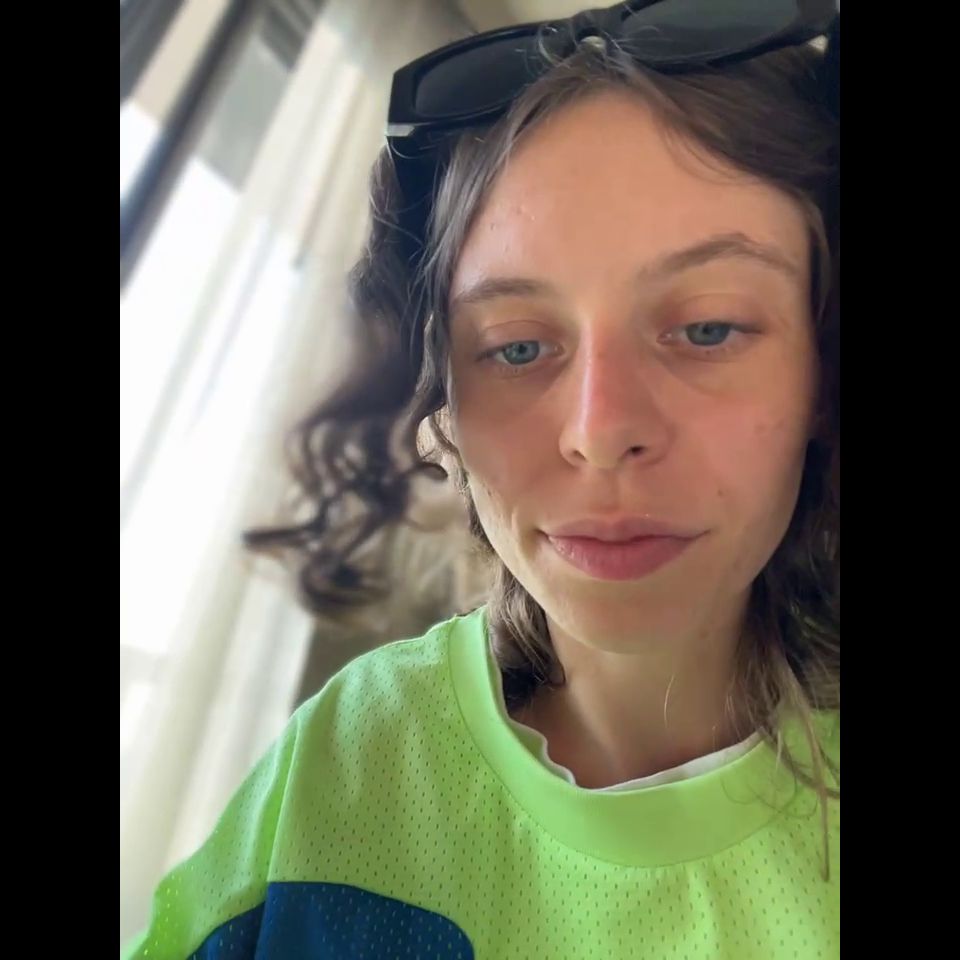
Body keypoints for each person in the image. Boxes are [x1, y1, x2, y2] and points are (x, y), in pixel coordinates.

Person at [123, 2, 840, 957]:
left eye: (708, 328)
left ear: (822, 373)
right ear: (447, 406)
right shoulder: (351, 750)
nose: (599, 433)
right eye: (517, 347)